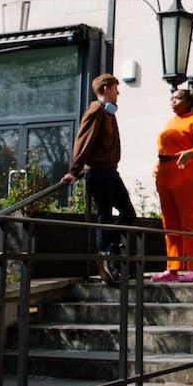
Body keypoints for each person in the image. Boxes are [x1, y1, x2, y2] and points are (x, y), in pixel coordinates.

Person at [61, 73, 136, 287]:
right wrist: (74, 171)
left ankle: (110, 249)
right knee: (104, 213)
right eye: (115, 88)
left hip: (110, 170)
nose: (118, 92)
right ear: (105, 89)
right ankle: (106, 258)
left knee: (128, 213)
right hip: (98, 171)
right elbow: (83, 140)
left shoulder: (109, 113)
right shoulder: (95, 110)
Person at [152, 86, 193, 283]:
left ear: (189, 102)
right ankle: (173, 268)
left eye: (178, 98)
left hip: (187, 173)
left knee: (189, 221)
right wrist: (157, 165)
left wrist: (191, 153)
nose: (173, 101)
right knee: (169, 222)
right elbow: (166, 148)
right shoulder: (172, 122)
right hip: (166, 172)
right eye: (171, 98)